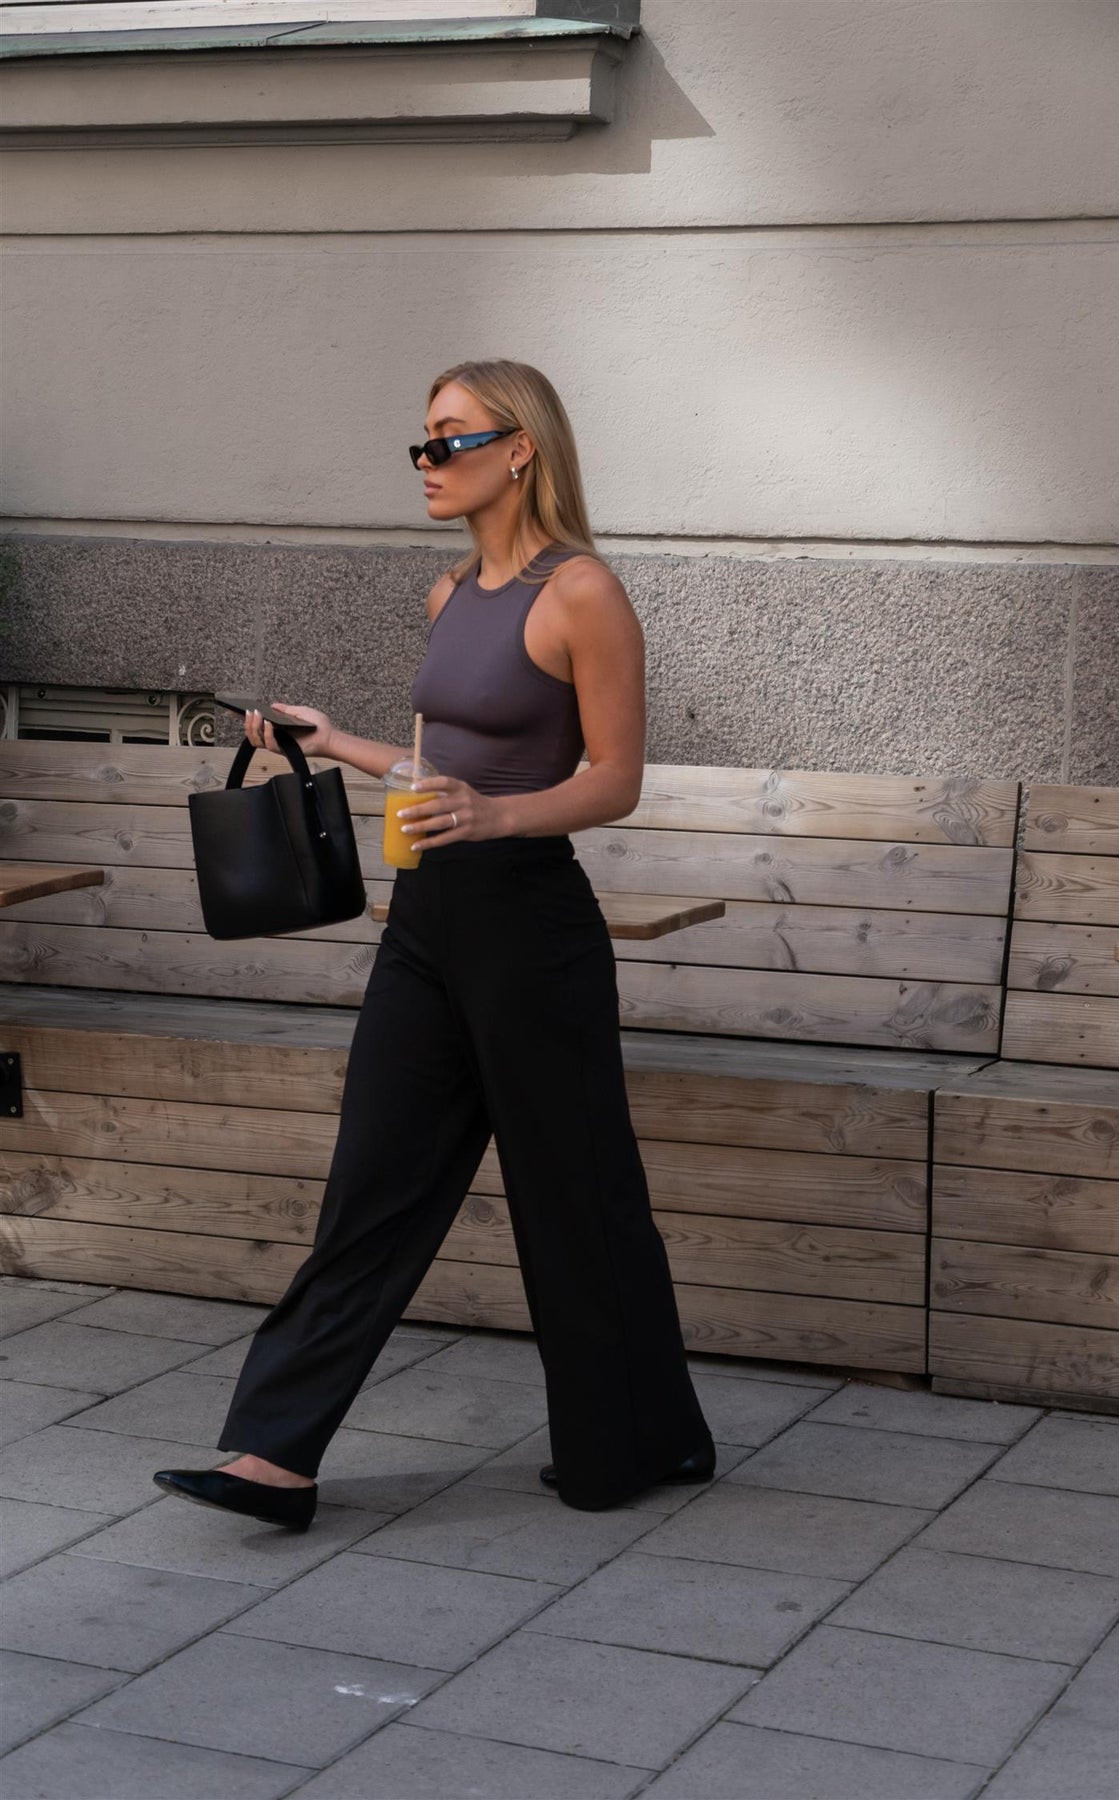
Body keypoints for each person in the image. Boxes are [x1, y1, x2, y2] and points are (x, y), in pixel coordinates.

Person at [155, 359, 715, 1528]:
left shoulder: (582, 593)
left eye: (448, 439)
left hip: (532, 926)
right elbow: (438, 769)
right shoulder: (449, 593)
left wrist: (501, 817)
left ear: (519, 450)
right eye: (420, 440)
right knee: (373, 1182)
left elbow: (615, 778)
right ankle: (274, 1456)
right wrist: (338, 742)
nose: (426, 461)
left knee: (575, 1195)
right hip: (427, 920)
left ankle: (641, 1439)